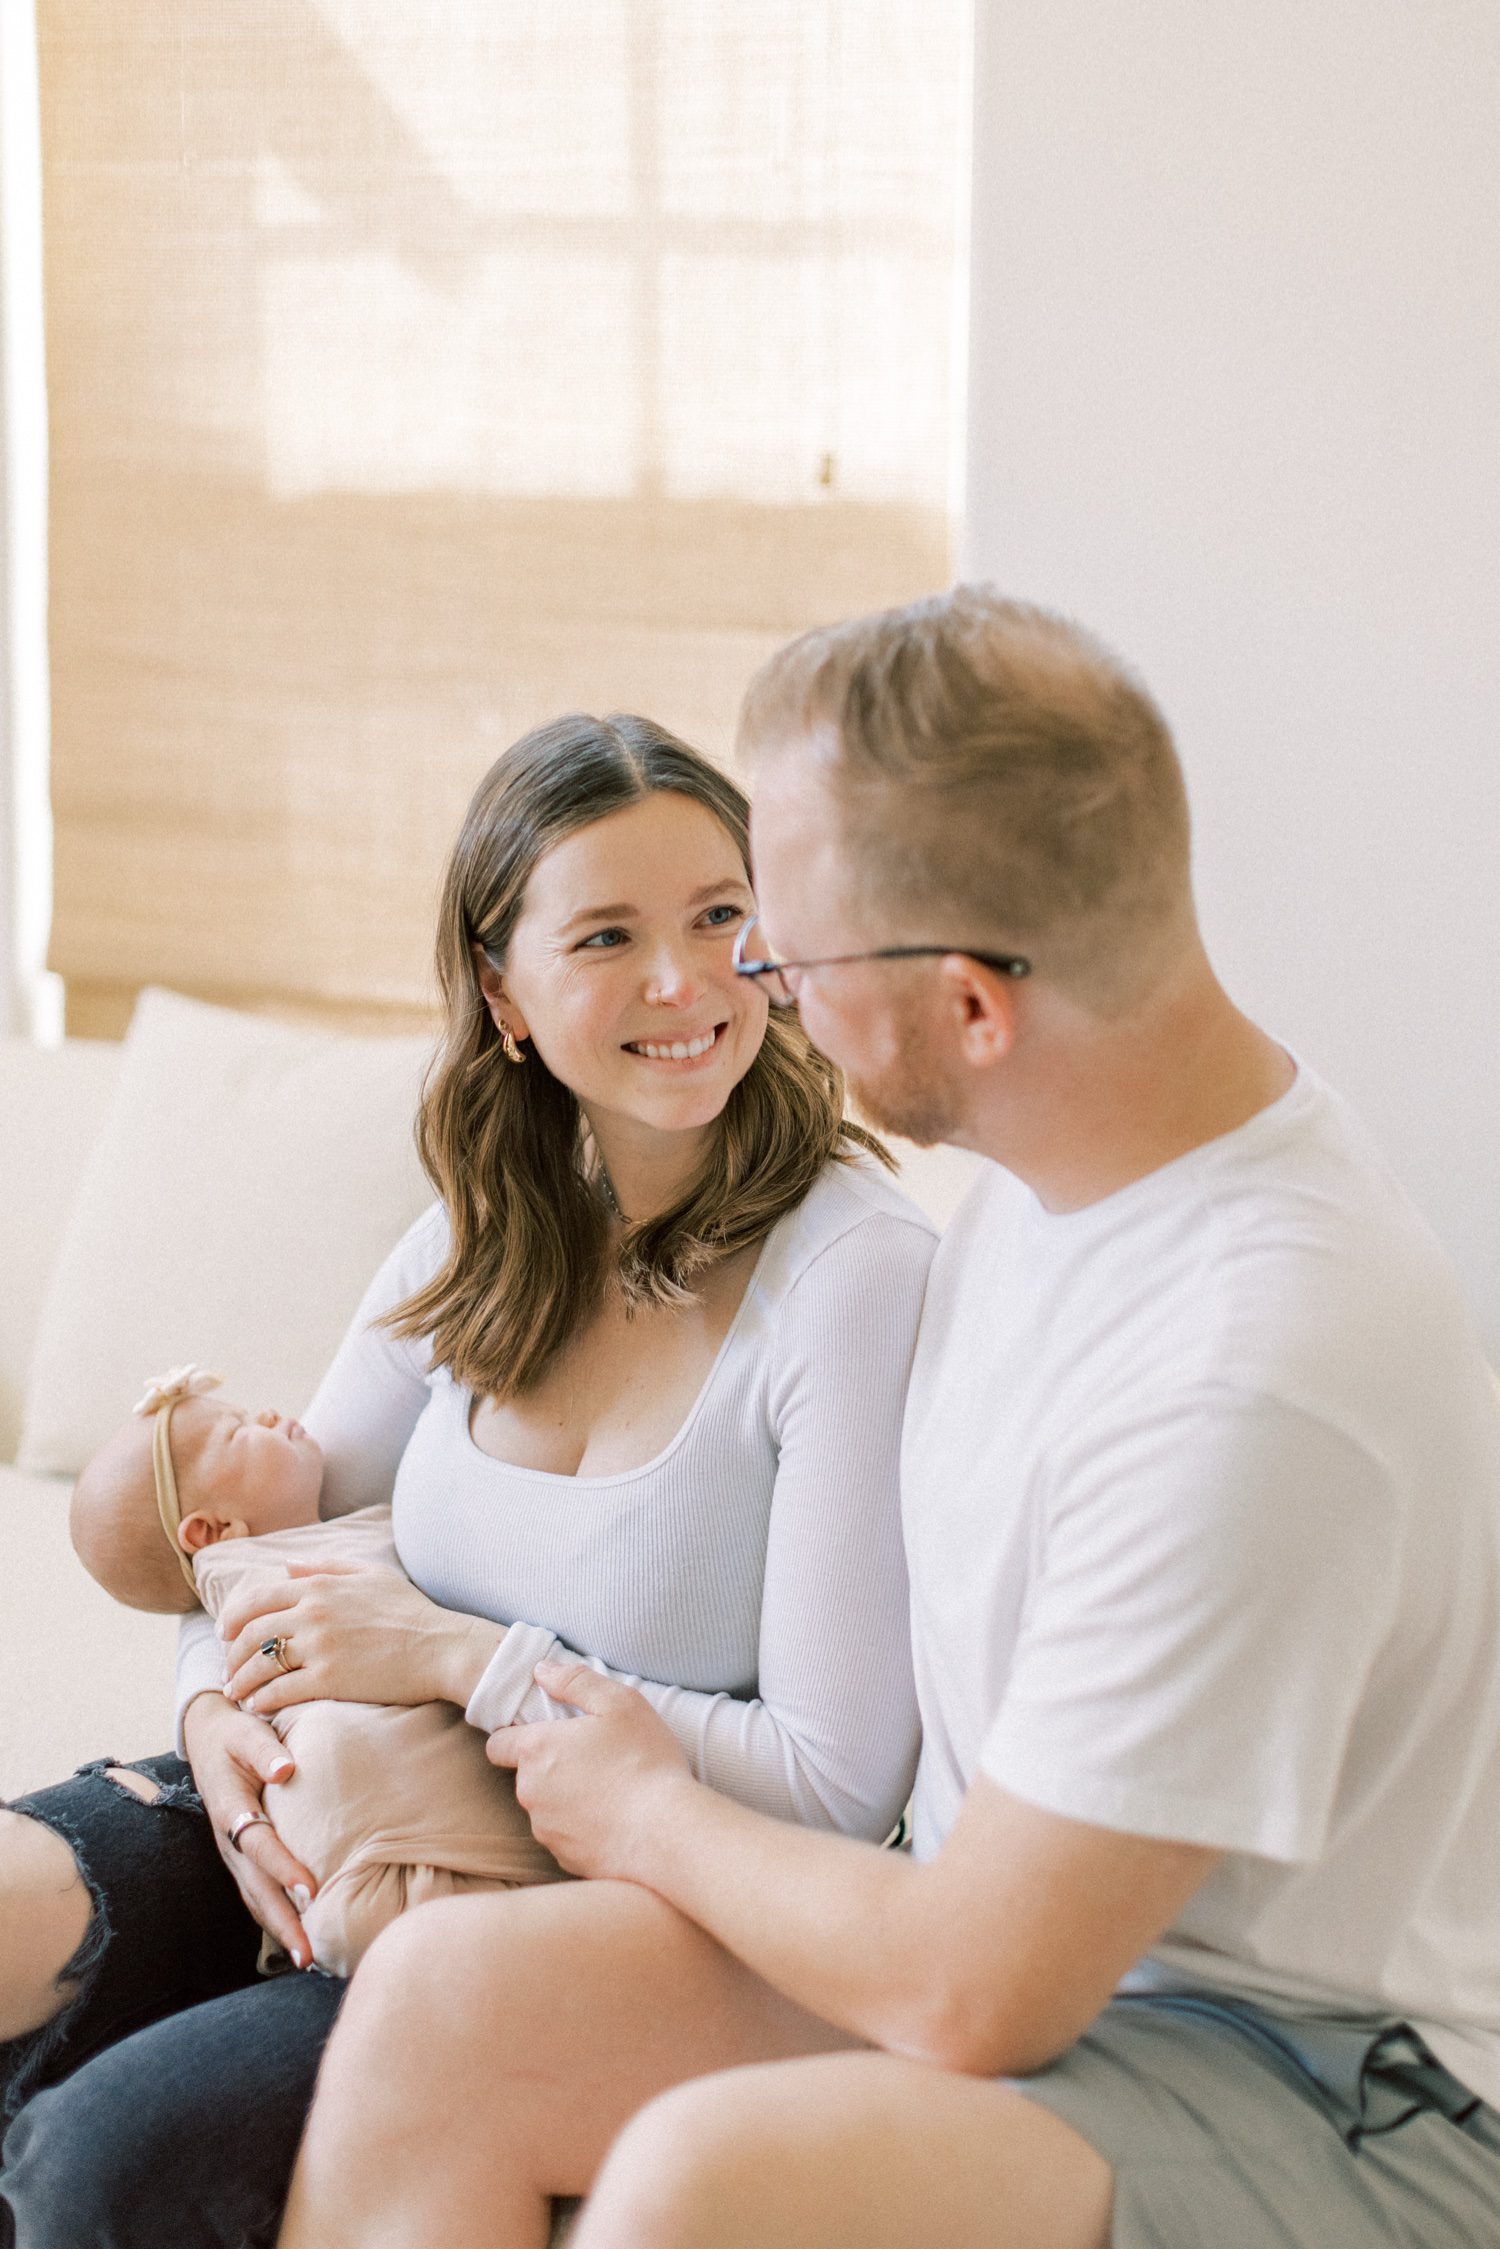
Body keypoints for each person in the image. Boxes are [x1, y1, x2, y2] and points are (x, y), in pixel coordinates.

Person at [277, 590, 1500, 2249]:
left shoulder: (1252, 1373)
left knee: (707, 2188)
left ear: (974, 1005)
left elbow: (973, 1985)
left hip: (1323, 2072)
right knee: (440, 2005)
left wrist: (647, 1809)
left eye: (781, 942)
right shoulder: (1054, 1163)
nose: (749, 982)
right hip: (1030, 1940)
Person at [0, 713, 936, 2249]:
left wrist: (463, 1660)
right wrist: (209, 1713)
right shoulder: (477, 1235)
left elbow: (841, 1790)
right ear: (503, 992)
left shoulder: (851, 1278)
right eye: (609, 936)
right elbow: (246, 1544)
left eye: (722, 918)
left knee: (101, 2159)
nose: (686, 982)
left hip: (536, 1907)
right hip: (321, 1808)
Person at [70, 1366, 564, 1977]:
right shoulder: (319, 1555)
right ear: (214, 1530)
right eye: (240, 1430)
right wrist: (203, 1708)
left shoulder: (297, 1548)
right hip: (382, 1842)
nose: (272, 1414)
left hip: (347, 1879)